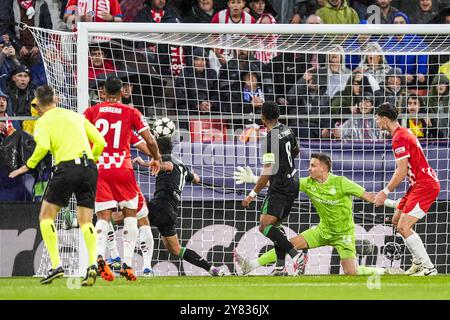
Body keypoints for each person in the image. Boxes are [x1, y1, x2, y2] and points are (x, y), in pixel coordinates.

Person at [233, 153, 401, 276]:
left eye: (313, 165)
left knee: (351, 272)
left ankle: (385, 271)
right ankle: (251, 265)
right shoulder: (308, 183)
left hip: (343, 234)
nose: (309, 168)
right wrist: (254, 179)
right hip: (322, 231)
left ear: (324, 168)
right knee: (288, 244)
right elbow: (282, 183)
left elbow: (370, 197)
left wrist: (394, 204)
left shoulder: (341, 182)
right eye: (309, 165)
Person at [9, 85, 106, 286]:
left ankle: (56, 266)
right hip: (89, 168)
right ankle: (91, 265)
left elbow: (43, 146)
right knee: (85, 221)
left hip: (67, 167)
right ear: (55, 100)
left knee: (46, 216)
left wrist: (28, 166)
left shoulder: (43, 122)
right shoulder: (76, 116)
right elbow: (100, 141)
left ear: (37, 104)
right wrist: (92, 159)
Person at [84, 76, 162, 282]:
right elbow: (150, 140)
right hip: (123, 168)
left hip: (100, 168)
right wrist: (157, 158)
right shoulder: (130, 112)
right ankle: (127, 263)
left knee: (103, 217)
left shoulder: (92, 112)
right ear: (122, 92)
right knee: (131, 214)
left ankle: (100, 257)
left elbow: (80, 135)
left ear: (103, 91)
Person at [134, 136, 225, 276]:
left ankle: (144, 267)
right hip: (170, 212)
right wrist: (192, 175)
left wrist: (144, 163)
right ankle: (211, 268)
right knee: (176, 250)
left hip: (159, 206)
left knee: (125, 215)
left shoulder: (163, 159)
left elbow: (168, 166)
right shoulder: (182, 165)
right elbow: (196, 178)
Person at [374, 102, 440, 276]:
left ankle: (429, 267)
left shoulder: (399, 138)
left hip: (425, 185)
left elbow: (402, 170)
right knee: (397, 220)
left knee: (404, 226)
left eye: (377, 118)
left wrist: (384, 192)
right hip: (417, 184)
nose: (376, 122)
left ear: (385, 119)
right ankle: (418, 263)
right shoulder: (403, 133)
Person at [240, 101, 303, 276]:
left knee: (264, 226)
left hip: (280, 185)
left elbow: (268, 170)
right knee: (276, 225)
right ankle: (280, 267)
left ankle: (296, 255)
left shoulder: (269, 139)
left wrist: (252, 194)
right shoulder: (287, 130)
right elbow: (296, 150)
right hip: (293, 181)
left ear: (262, 117)